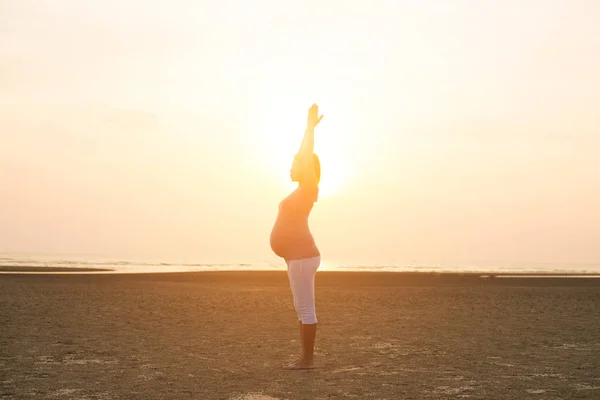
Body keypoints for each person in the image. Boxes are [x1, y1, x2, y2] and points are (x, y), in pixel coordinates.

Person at [270, 103, 323, 370]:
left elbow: (306, 153)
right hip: (296, 257)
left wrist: (309, 128)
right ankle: (305, 358)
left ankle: (307, 360)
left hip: (303, 256)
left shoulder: (308, 188)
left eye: (294, 164)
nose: (291, 167)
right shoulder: (299, 191)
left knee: (305, 308)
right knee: (300, 306)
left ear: (306, 169)